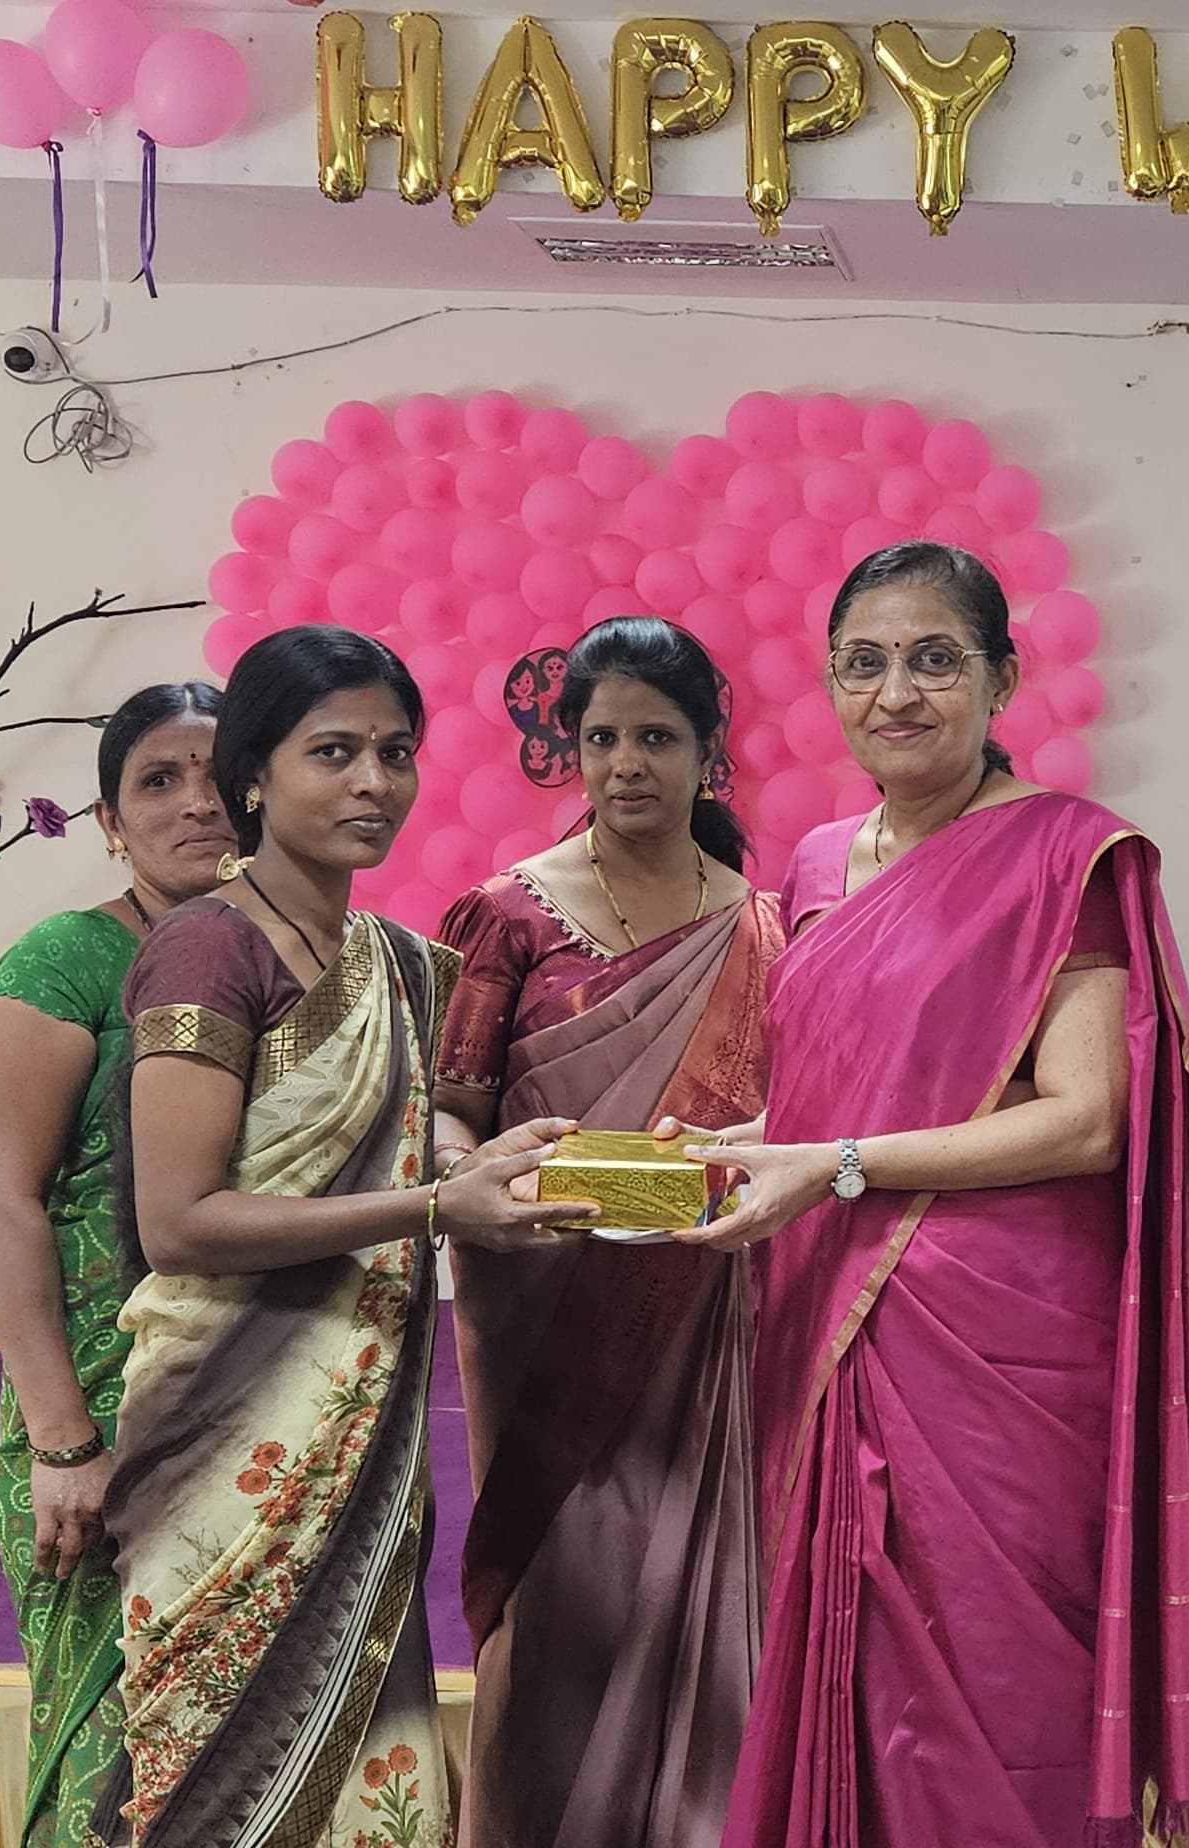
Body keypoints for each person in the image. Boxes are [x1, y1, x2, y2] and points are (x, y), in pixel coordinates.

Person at [682, 543, 1189, 1848]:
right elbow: (848, 1097)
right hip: (829, 1302)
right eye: (864, 663)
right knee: (850, 1660)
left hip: (1001, 1331)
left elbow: (1087, 1119)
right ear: (830, 682)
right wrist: (755, 1148)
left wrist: (836, 1164)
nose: (898, 693)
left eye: (935, 659)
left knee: (1000, 1666)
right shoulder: (821, 863)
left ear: (1003, 679)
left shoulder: (1065, 856)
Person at [93, 624, 595, 1848]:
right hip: (226, 1441)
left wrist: (502, 1170)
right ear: (251, 777)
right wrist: (434, 1208)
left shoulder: (404, 966)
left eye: (394, 752)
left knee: (361, 1768)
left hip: (360, 1438)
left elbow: (411, 1156)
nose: (374, 782)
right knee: (217, 1782)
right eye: (333, 752)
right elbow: (178, 1221)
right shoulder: (207, 946)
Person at [433, 617, 782, 1848]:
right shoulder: (506, 914)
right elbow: (446, 1109)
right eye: (602, 738)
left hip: (706, 1302)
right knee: (561, 1584)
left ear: (707, 750)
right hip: (540, 1304)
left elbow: (789, 1118)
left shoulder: (764, 924)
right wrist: (473, 1184)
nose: (627, 764)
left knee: (703, 1569)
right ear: (569, 750)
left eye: (657, 738)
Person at [0, 681, 228, 1846]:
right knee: (112, 1758)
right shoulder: (67, 961)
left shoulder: (298, 962)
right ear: (112, 823)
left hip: (259, 1405)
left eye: (218, 775)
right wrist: (64, 1442)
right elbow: (2, 1202)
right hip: (100, 1411)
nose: (196, 803)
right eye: (158, 782)